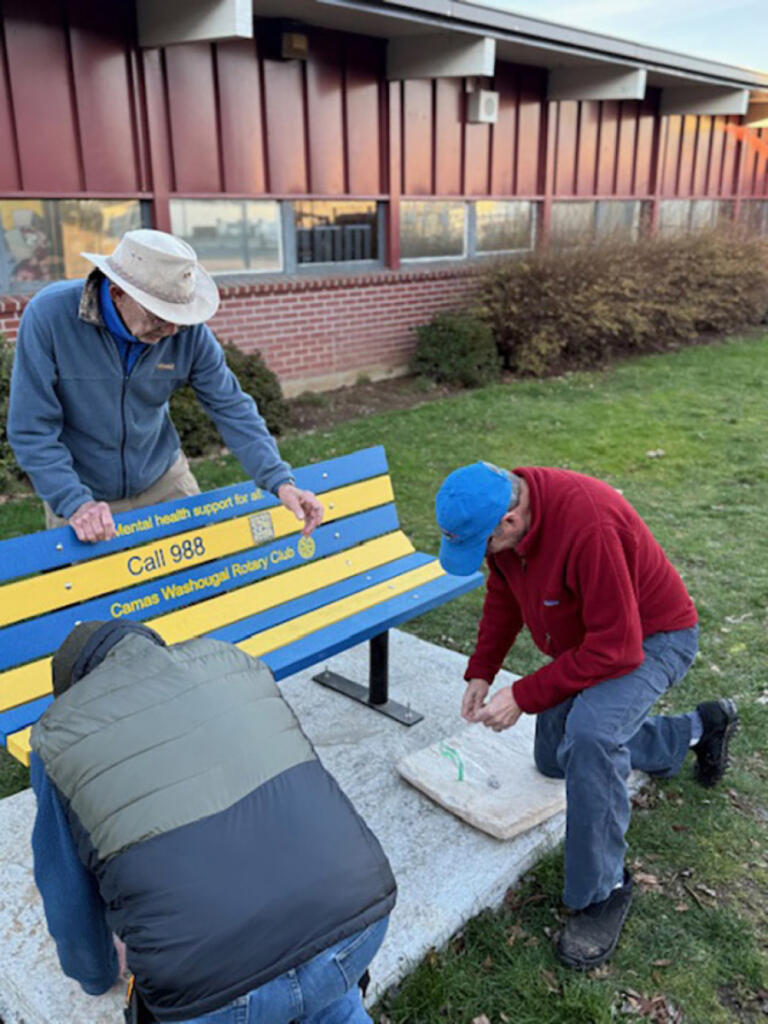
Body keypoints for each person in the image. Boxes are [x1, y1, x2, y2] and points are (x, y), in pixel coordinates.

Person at [435, 461, 739, 971]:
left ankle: (604, 891)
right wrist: (481, 671)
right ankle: (696, 728)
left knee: (592, 736)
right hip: (596, 640)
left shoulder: (588, 526)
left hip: (653, 639)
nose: (485, 556)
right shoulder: (507, 515)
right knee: (556, 758)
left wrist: (525, 694)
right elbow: (504, 596)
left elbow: (619, 650)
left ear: (509, 522)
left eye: (482, 545)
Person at [30, 619, 395, 1023]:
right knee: (331, 999)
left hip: (212, 990)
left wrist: (96, 975)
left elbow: (67, 894)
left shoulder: (61, 739)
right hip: (356, 927)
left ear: (75, 690)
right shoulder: (233, 666)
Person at [7, 229, 323, 543]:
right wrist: (74, 502)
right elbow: (31, 428)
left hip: (163, 479)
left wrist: (280, 481)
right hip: (82, 494)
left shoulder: (188, 333)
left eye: (179, 316)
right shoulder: (49, 318)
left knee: (202, 584)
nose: (172, 329)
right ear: (117, 293)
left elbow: (231, 407)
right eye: (160, 315)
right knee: (93, 593)